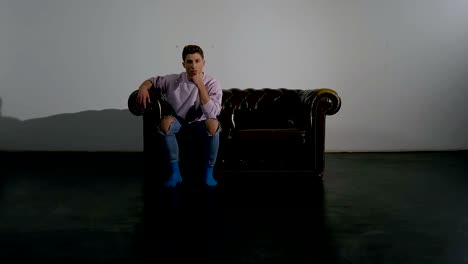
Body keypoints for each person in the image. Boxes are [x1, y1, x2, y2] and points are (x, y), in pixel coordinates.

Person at [136, 44, 222, 187]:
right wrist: (143, 87)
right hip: (180, 121)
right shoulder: (173, 80)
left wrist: (200, 85)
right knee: (165, 123)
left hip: (202, 122)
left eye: (197, 61)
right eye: (189, 61)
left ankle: (209, 173)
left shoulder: (212, 83)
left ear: (203, 63)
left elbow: (212, 114)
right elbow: (151, 81)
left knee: (213, 124)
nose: (193, 65)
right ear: (184, 64)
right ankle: (175, 174)